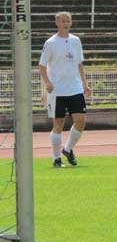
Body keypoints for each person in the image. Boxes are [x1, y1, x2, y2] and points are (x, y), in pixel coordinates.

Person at [39, 11, 91, 167]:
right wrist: (47, 82)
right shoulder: (51, 43)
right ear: (57, 23)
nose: (66, 23)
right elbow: (41, 66)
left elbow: (79, 63)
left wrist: (84, 83)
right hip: (57, 90)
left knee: (81, 121)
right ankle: (56, 158)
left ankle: (67, 149)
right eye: (63, 21)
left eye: (68, 20)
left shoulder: (76, 41)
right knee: (58, 123)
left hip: (74, 87)